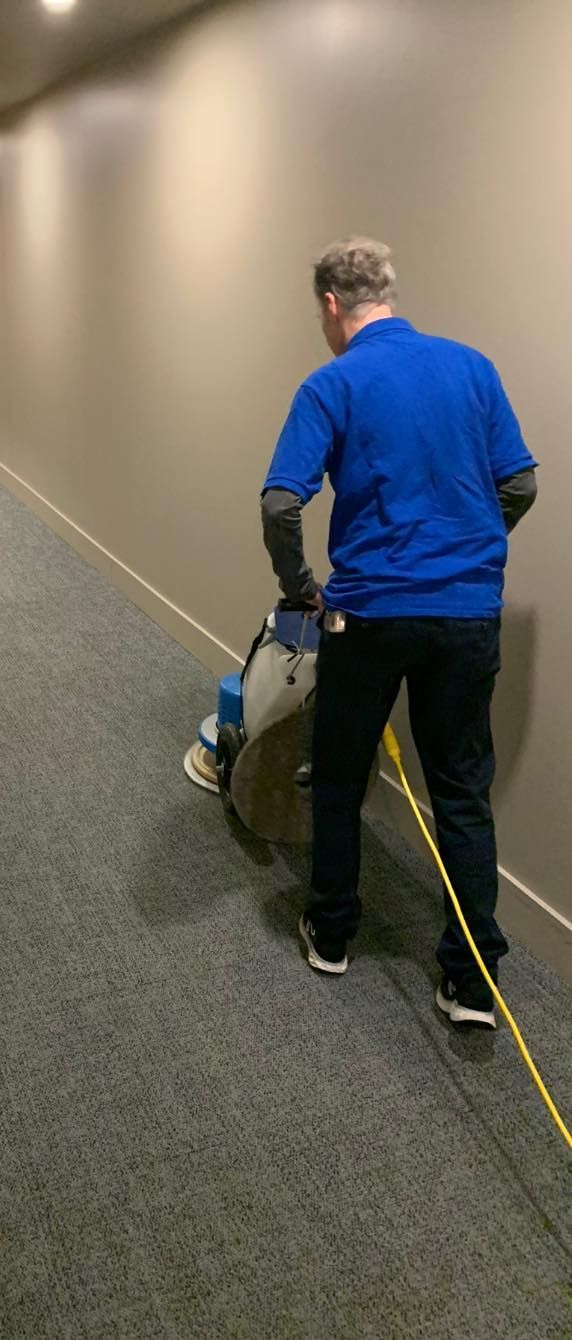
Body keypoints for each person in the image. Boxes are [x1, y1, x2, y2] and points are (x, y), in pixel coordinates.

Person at [261, 237, 537, 1028]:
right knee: (460, 792)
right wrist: (467, 549)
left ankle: (332, 933)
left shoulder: (332, 383)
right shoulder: (471, 368)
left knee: (340, 776)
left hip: (368, 615)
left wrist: (302, 590)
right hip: (465, 617)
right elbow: (519, 482)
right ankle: (472, 983)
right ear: (386, 292)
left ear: (330, 305)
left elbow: (280, 503)